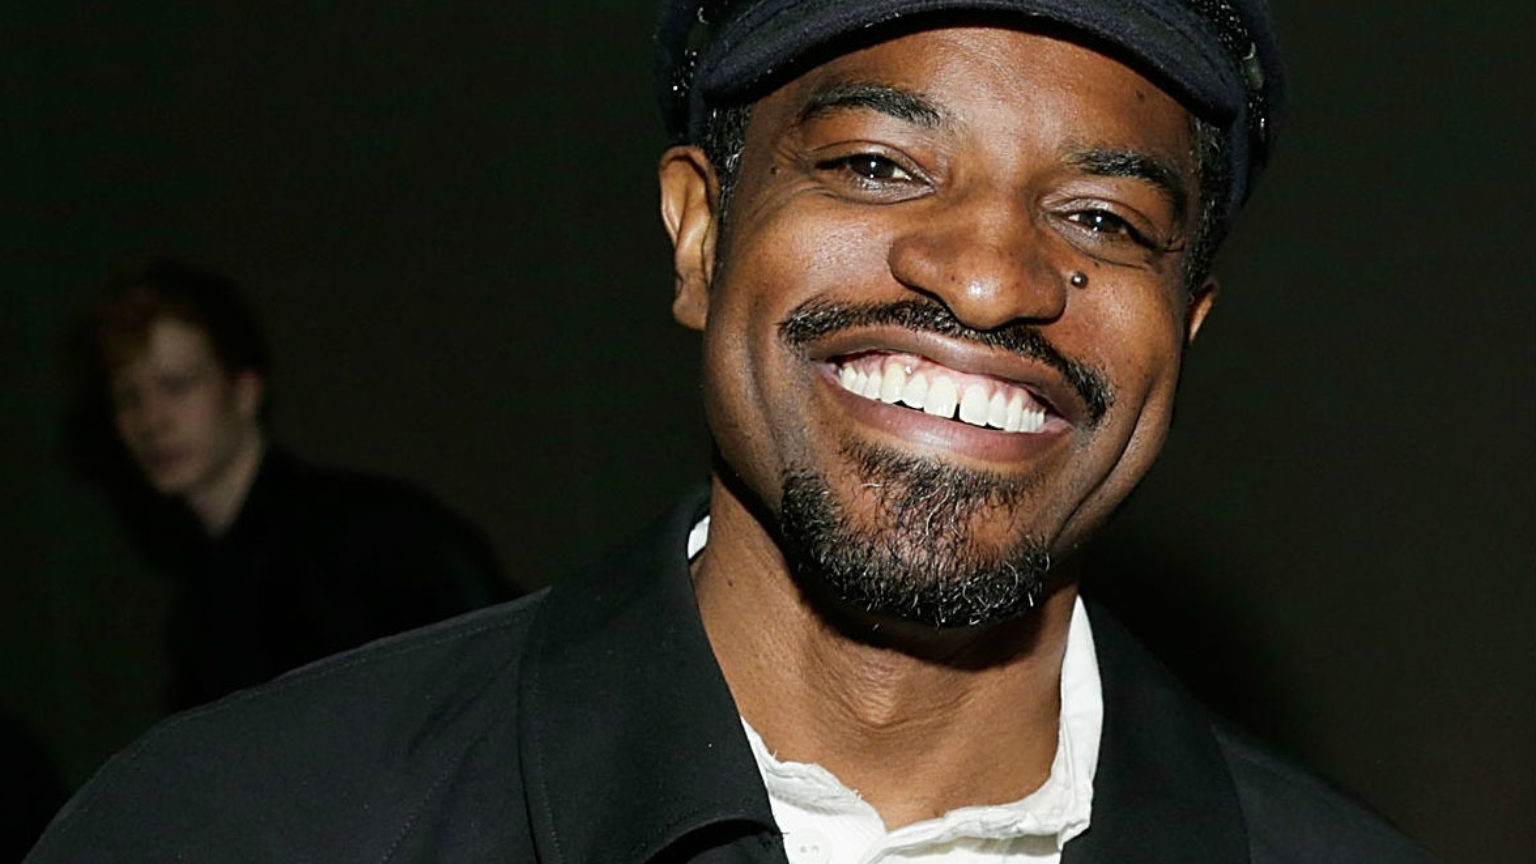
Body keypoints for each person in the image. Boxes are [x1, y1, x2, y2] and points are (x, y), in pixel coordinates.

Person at [30, 1, 1430, 861]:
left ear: (1184, 328)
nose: (989, 276)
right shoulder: (238, 827)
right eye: (878, 164)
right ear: (700, 236)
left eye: (1105, 220)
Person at [69, 260, 513, 710]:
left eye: (177, 384)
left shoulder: (364, 533)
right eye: (128, 397)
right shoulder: (200, 601)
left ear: (244, 390)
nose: (151, 420)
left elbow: (501, 665)